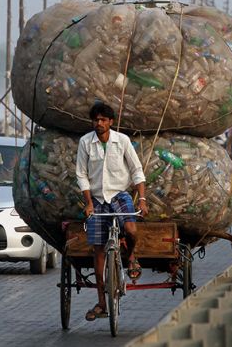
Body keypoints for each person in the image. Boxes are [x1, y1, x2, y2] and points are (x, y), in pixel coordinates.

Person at [75, 102, 148, 322]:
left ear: (110, 122)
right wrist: (88, 203)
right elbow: (81, 174)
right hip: (97, 198)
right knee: (98, 250)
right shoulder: (86, 142)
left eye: (103, 120)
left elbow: (136, 171)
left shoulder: (122, 141)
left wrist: (142, 200)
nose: (99, 124)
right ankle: (101, 302)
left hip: (119, 195)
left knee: (131, 229)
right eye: (96, 120)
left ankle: (132, 256)